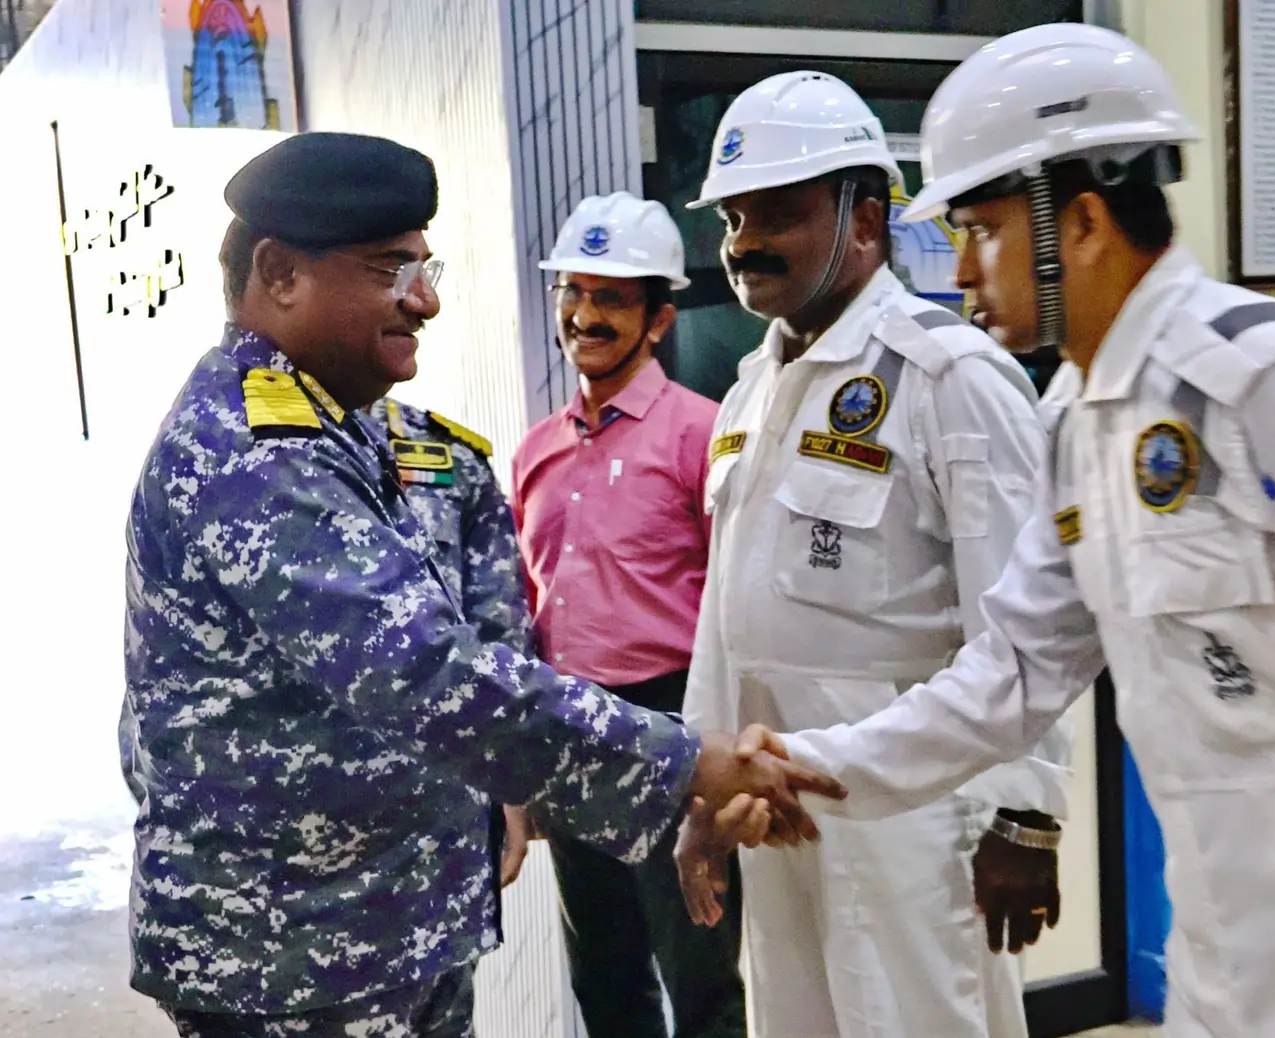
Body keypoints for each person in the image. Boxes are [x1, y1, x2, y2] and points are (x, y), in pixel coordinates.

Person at [118, 131, 846, 1038]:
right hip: (287, 953)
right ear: (280, 273)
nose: (424, 300)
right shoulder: (253, 453)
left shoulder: (351, 432)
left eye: (425, 269)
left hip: (384, 923)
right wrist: (686, 762)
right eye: (390, 269)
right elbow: (421, 668)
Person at [684, 24, 1275, 1038]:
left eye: (981, 232)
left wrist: (1019, 816)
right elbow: (1005, 677)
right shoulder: (1079, 427)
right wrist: (793, 765)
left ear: (1080, 221)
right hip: (1221, 949)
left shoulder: (1250, 376)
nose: (958, 271)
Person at [677, 71, 1076, 1038]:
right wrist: (701, 792)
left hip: (915, 816)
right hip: (774, 803)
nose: (743, 242)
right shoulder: (750, 391)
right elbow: (725, 623)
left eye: (776, 213)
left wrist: (1026, 813)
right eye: (731, 218)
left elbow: (1022, 625)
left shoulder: (951, 375)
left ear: (865, 218)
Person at [510, 192, 746, 1038]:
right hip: (572, 728)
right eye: (573, 293)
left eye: (611, 298)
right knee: (605, 986)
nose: (585, 316)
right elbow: (528, 611)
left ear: (658, 319)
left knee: (702, 980)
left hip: (672, 724)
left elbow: (736, 606)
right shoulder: (535, 452)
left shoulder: (702, 436)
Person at [367, 394, 535, 889]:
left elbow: (500, 636)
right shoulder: (237, 438)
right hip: (281, 816)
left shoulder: (449, 455)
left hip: (440, 806)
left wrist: (510, 779)